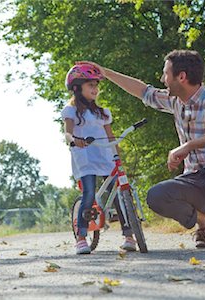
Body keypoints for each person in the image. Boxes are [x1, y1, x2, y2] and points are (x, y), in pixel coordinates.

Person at [81, 49, 205, 250]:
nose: (162, 79)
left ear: (181, 76)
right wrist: (106, 73)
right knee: (156, 196)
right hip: (196, 182)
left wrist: (188, 146)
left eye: (166, 74)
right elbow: (143, 91)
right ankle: (203, 222)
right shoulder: (175, 101)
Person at [61, 63, 137, 254]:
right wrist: (74, 140)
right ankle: (81, 237)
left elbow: (111, 137)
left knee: (119, 195)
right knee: (89, 193)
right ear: (77, 88)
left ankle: (129, 236)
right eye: (90, 85)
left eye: (96, 85)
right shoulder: (71, 111)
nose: (95, 89)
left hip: (105, 156)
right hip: (85, 157)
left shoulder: (103, 113)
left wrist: (118, 157)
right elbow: (68, 134)